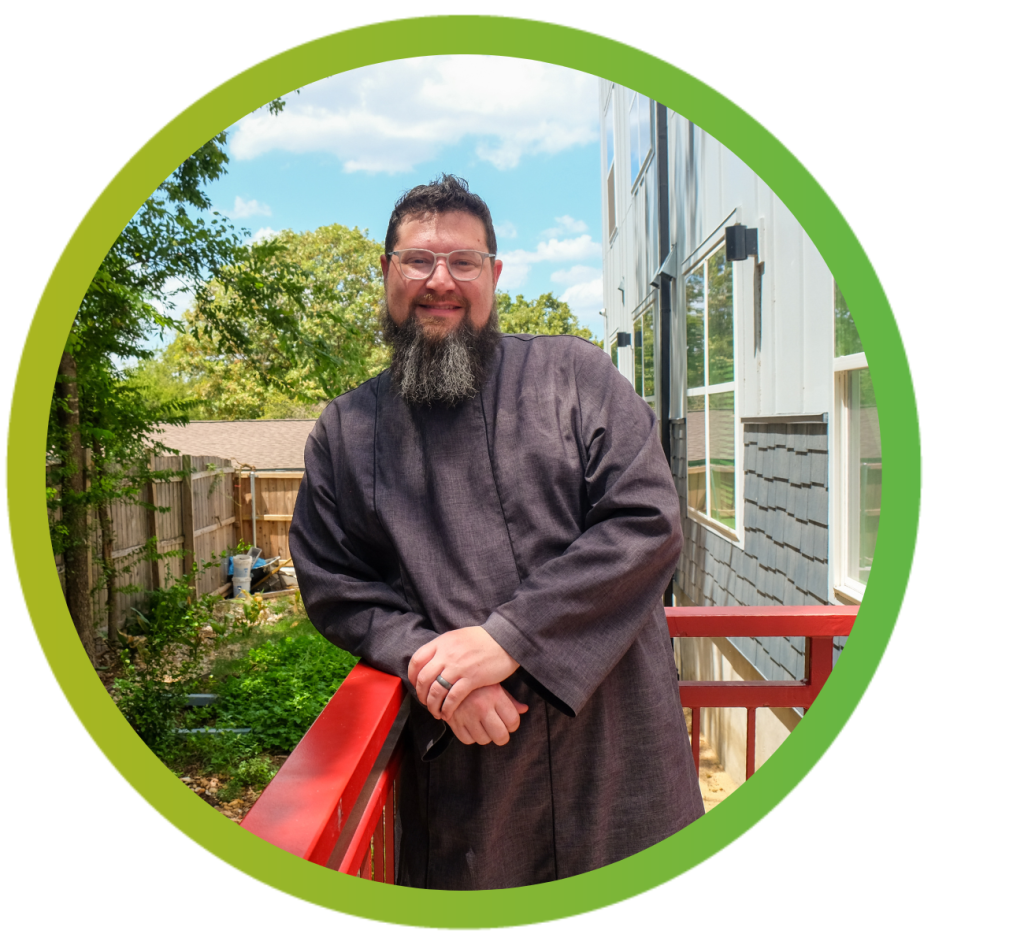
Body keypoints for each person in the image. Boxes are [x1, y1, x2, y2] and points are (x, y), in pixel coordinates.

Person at [290, 174, 704, 890]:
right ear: (386, 271)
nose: (439, 281)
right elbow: (335, 584)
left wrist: (507, 638)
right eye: (418, 259)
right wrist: (436, 664)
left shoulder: (574, 374)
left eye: (463, 261)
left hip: (618, 750)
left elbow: (647, 519)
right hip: (468, 767)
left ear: (495, 274)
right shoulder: (346, 432)